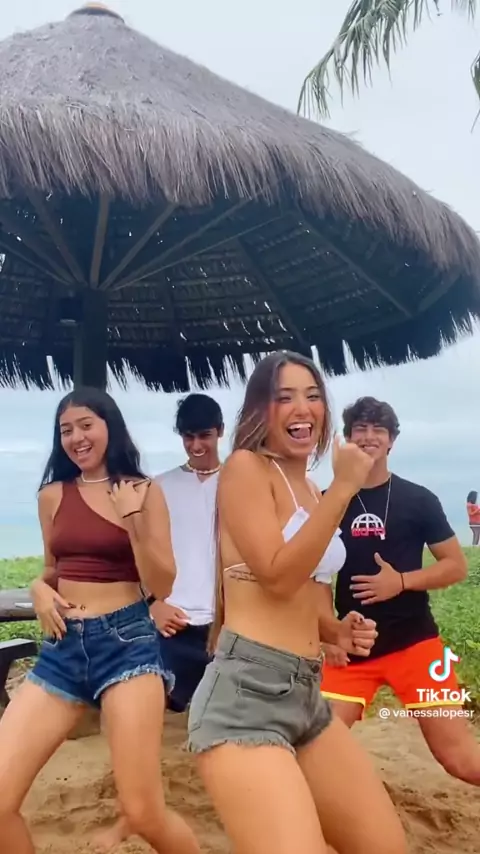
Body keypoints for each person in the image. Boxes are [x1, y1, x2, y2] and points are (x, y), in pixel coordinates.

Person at [186, 352, 408, 854]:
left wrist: (336, 629)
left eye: (312, 396)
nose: (301, 408)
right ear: (259, 411)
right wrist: (346, 487)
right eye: (283, 397)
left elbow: (308, 593)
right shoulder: (245, 469)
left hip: (306, 693)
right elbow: (277, 576)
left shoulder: (309, 488)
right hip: (246, 698)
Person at [0, 388, 201, 854]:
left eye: (86, 425)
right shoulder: (52, 496)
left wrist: (132, 520)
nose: (77, 437)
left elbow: (162, 583)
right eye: (66, 430)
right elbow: (52, 569)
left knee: (143, 812)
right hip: (62, 649)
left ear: (110, 426)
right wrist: (38, 589)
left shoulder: (144, 491)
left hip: (127, 646)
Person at [320, 397, 480, 787]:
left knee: (460, 759)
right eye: (360, 428)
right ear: (348, 438)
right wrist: (327, 634)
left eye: (379, 429)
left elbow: (455, 566)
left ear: (391, 440)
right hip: (353, 649)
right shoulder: (328, 501)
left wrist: (402, 582)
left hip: (416, 645)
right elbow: (316, 577)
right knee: (317, 746)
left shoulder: (418, 500)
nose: (369, 436)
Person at [100, 393, 222, 850]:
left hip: (227, 625)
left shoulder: (241, 481)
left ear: (220, 433)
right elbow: (132, 552)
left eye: (204, 435)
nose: (196, 445)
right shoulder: (158, 487)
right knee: (136, 720)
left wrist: (231, 617)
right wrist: (152, 603)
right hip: (171, 620)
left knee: (232, 725)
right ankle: (132, 811)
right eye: (188, 436)